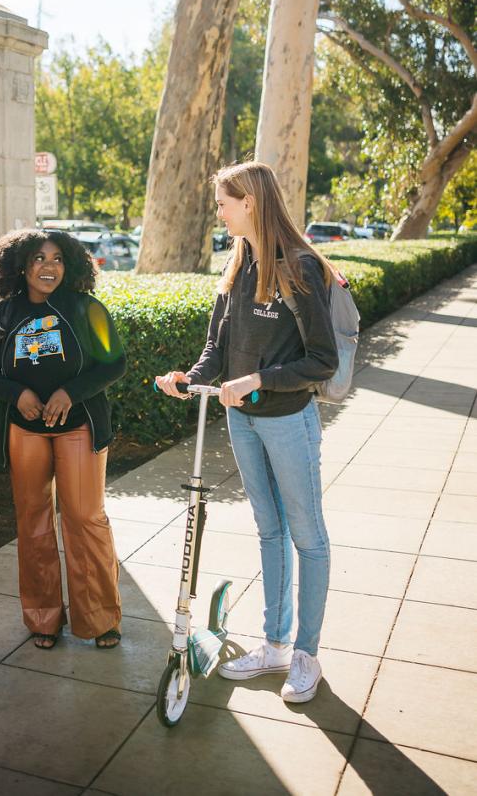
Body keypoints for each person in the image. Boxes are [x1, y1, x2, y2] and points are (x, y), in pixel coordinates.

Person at [157, 162, 338, 704]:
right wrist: (190, 379)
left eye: (223, 201)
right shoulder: (237, 265)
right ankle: (276, 645)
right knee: (268, 530)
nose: (219, 209)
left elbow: (322, 361)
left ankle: (306, 654)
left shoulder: (299, 267)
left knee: (308, 536)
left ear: (251, 202)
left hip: (288, 421)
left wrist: (260, 379)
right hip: (243, 421)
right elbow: (218, 347)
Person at [0, 229, 126, 650]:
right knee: (34, 521)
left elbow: (115, 364)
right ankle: (43, 618)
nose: (49, 266)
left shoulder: (87, 309)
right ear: (21, 267)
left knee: (84, 518)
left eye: (57, 258)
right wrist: (17, 394)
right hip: (26, 429)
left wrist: (70, 393)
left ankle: (100, 618)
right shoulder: (3, 317)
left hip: (79, 425)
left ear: (70, 265)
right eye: (39, 258)